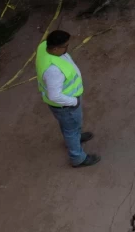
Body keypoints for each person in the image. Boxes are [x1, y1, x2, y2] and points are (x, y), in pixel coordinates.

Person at [36, 29, 99, 168]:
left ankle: (74, 138)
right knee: (71, 128)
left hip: (62, 105)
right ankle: (78, 158)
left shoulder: (43, 48)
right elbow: (55, 95)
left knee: (68, 127)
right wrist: (73, 102)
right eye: (65, 46)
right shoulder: (53, 71)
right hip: (66, 105)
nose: (67, 48)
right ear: (55, 48)